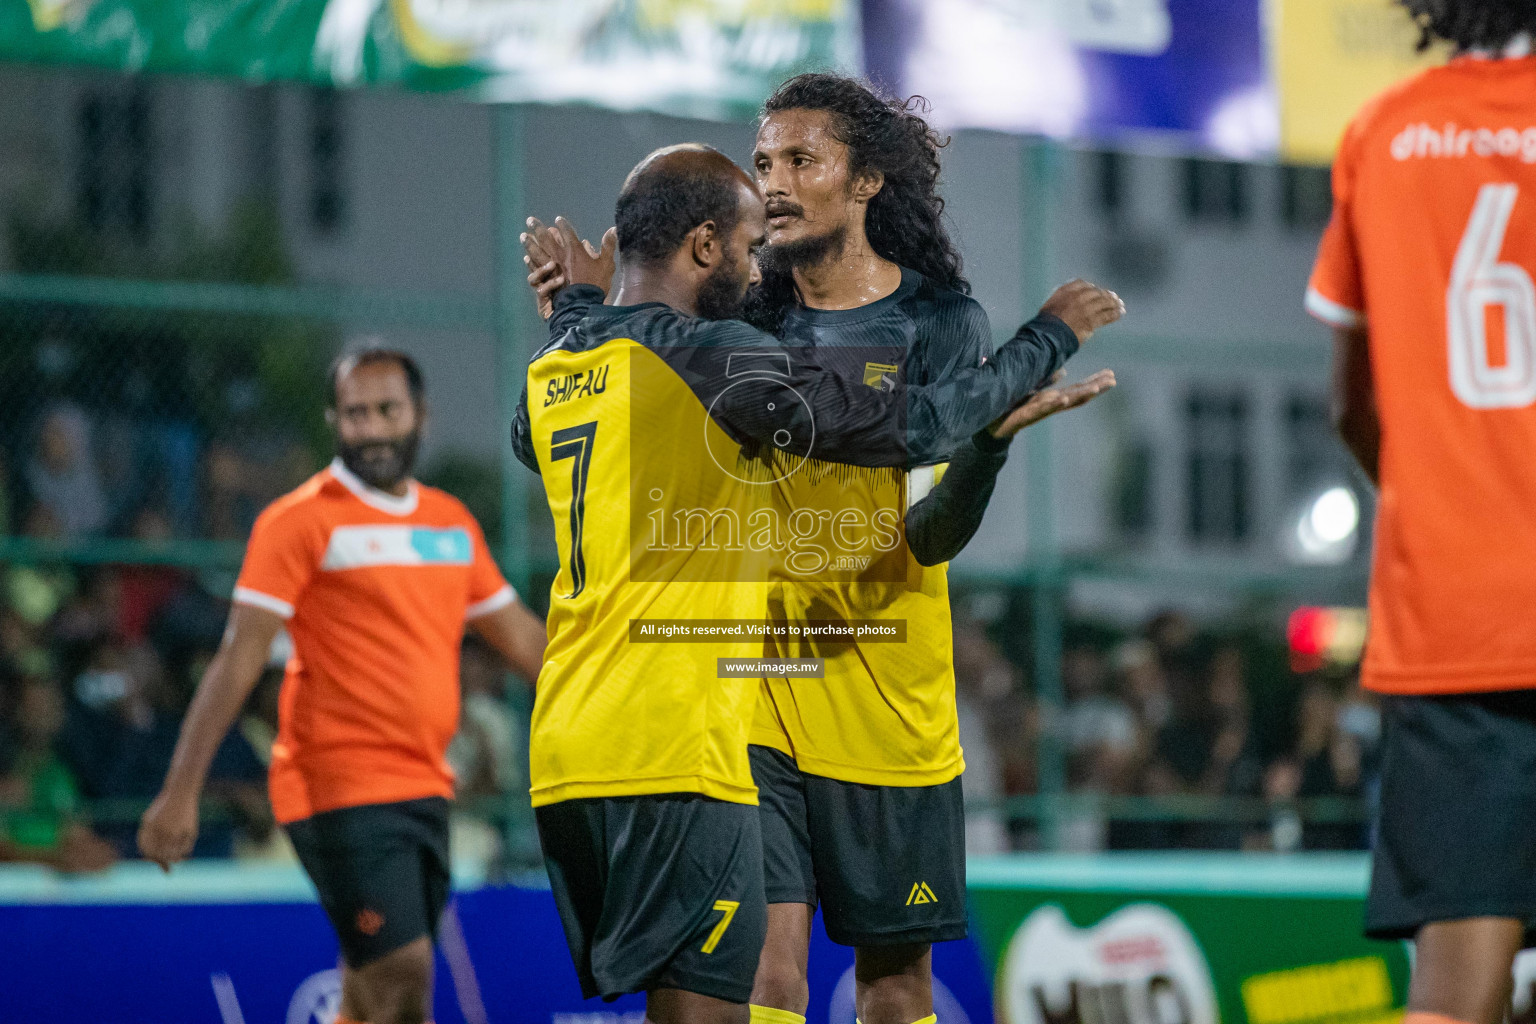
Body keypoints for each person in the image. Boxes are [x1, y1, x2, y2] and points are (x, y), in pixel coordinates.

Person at [526, 75, 1119, 1024]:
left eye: (802, 160)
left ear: (868, 180)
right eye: (764, 164)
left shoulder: (938, 324)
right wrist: (588, 315)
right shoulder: (735, 318)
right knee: (767, 974)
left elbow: (930, 533)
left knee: (895, 987)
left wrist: (990, 448)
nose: (778, 183)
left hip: (888, 690)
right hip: (749, 686)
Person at [137, 348, 547, 1024]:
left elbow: (527, 644)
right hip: (336, 786)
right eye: (356, 414)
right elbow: (238, 659)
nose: (373, 428)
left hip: (426, 785)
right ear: (336, 421)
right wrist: (179, 793)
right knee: (403, 974)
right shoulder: (297, 521)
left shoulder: (450, 523)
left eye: (388, 410)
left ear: (421, 415)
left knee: (372, 993)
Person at [1307, 4, 1536, 1022]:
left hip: (1449, 614)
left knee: (1452, 996)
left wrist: (1440, 494)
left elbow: (1350, 405)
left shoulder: (1384, 132)